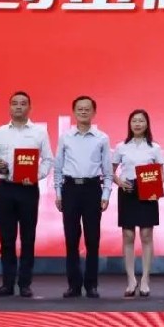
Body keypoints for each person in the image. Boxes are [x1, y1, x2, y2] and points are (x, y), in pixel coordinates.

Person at [0, 91, 54, 298]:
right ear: (9, 107)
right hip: (6, 188)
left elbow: (48, 160)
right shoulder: (0, 132)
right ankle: (7, 284)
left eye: (23, 103)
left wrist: (36, 176)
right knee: (6, 239)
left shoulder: (39, 132)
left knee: (28, 238)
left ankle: (25, 284)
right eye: (15, 103)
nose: (19, 107)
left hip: (28, 189)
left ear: (30, 107)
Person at [54, 95, 113, 298]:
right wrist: (58, 193)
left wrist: (106, 193)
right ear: (74, 112)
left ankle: (91, 285)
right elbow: (58, 168)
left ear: (94, 112)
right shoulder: (65, 137)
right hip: (70, 189)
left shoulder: (102, 138)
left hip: (92, 189)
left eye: (87, 109)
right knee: (71, 239)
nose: (83, 112)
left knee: (92, 239)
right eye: (79, 108)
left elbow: (107, 170)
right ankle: (74, 285)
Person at [112, 109, 164, 297]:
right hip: (128, 191)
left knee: (146, 235)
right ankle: (130, 279)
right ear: (129, 124)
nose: (137, 124)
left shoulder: (154, 148)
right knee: (127, 235)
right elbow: (111, 171)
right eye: (134, 121)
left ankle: (145, 279)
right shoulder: (121, 147)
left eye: (141, 121)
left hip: (148, 191)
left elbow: (161, 174)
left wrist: (155, 190)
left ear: (147, 124)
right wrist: (119, 182)